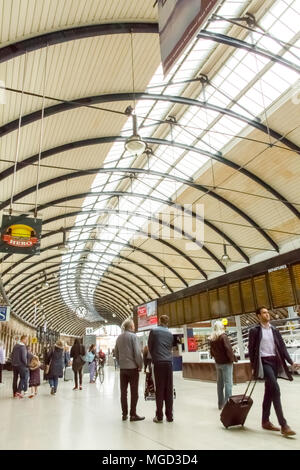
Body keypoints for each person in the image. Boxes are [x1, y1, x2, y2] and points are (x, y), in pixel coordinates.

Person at [248, 306, 300, 436]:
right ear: (258, 316)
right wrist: (253, 366)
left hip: (275, 362)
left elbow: (282, 347)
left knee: (269, 391)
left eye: (267, 312)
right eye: (264, 313)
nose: (267, 315)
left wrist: (291, 362)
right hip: (264, 362)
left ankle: (265, 421)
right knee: (275, 389)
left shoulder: (274, 330)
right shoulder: (254, 331)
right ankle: (284, 425)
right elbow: (251, 350)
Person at [114, 318, 144, 422]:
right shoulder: (133, 337)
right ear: (131, 327)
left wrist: (121, 363)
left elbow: (116, 354)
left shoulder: (119, 338)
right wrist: (140, 365)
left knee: (123, 392)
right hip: (132, 369)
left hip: (123, 370)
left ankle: (124, 414)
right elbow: (137, 353)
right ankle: (133, 414)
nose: (134, 327)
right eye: (134, 325)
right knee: (134, 392)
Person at [148, 315, 174, 423]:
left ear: (159, 321)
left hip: (158, 363)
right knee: (169, 389)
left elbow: (150, 346)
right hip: (169, 363)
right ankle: (169, 416)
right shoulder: (170, 333)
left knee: (159, 389)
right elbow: (170, 347)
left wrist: (154, 357)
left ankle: (159, 416)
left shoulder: (154, 331)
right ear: (167, 322)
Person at [209, 320, 237, 410]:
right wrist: (233, 359)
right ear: (222, 327)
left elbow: (211, 352)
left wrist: (217, 357)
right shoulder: (223, 337)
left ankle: (220, 404)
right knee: (228, 384)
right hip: (226, 363)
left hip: (218, 363)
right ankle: (227, 405)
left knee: (220, 384)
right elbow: (228, 349)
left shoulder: (212, 338)